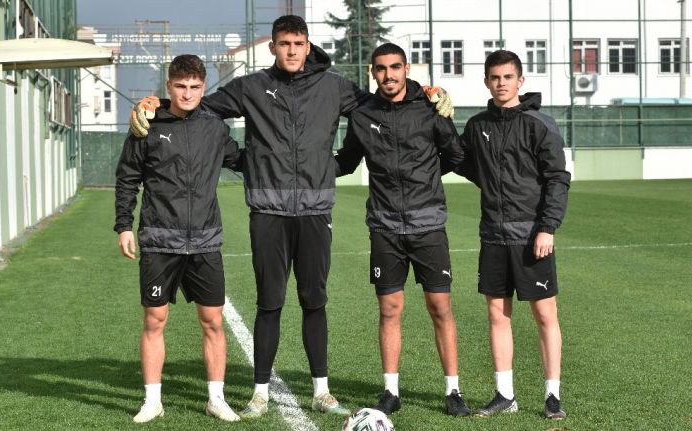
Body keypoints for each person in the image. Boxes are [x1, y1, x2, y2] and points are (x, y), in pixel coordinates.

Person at [127, 15, 454, 418]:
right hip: (268, 212)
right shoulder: (251, 87)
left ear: (308, 46)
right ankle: (259, 393)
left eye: (299, 44)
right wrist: (155, 105)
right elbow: (197, 105)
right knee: (270, 302)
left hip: (316, 212)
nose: (292, 51)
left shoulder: (334, 86)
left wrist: (429, 93)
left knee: (314, 300)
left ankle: (322, 392)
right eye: (285, 44)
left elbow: (385, 100)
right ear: (274, 47)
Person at [334, 43, 469, 417]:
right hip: (385, 226)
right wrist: (307, 168)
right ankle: (390, 391)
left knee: (440, 306)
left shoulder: (429, 106)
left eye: (395, 67)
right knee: (390, 308)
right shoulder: (363, 114)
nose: (388, 75)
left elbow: (455, 154)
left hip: (428, 224)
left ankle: (453, 391)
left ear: (406, 69)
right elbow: (347, 160)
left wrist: (424, 175)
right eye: (381, 68)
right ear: (372, 72)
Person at [114, 54, 242, 423]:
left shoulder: (214, 128)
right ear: (168, 86)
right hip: (159, 240)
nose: (187, 94)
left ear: (203, 87)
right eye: (181, 86)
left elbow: (243, 160)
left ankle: (216, 399)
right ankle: (152, 401)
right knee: (155, 320)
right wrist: (124, 225)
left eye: (195, 87)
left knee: (213, 321)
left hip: (205, 241)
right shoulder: (146, 125)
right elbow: (127, 177)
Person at [456, 50, 570, 420]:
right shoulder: (477, 126)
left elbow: (557, 179)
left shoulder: (540, 124)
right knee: (497, 314)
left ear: (520, 80)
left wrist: (547, 227)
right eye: (495, 77)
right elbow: (461, 161)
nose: (501, 83)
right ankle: (505, 394)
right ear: (486, 82)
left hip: (532, 235)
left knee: (544, 314)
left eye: (507, 77)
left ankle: (552, 396)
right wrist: (437, 120)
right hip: (493, 234)